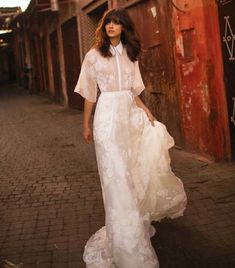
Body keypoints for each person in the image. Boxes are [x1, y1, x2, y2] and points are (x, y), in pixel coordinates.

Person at [74, 8, 187, 268]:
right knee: (116, 178)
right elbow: (90, 94)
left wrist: (146, 111)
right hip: (106, 120)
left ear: (124, 27)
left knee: (131, 173)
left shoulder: (131, 54)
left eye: (116, 23)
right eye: (108, 23)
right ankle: (126, 242)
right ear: (103, 27)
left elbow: (133, 91)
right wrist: (86, 125)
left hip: (129, 117)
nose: (111, 26)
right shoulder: (93, 56)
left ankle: (132, 226)